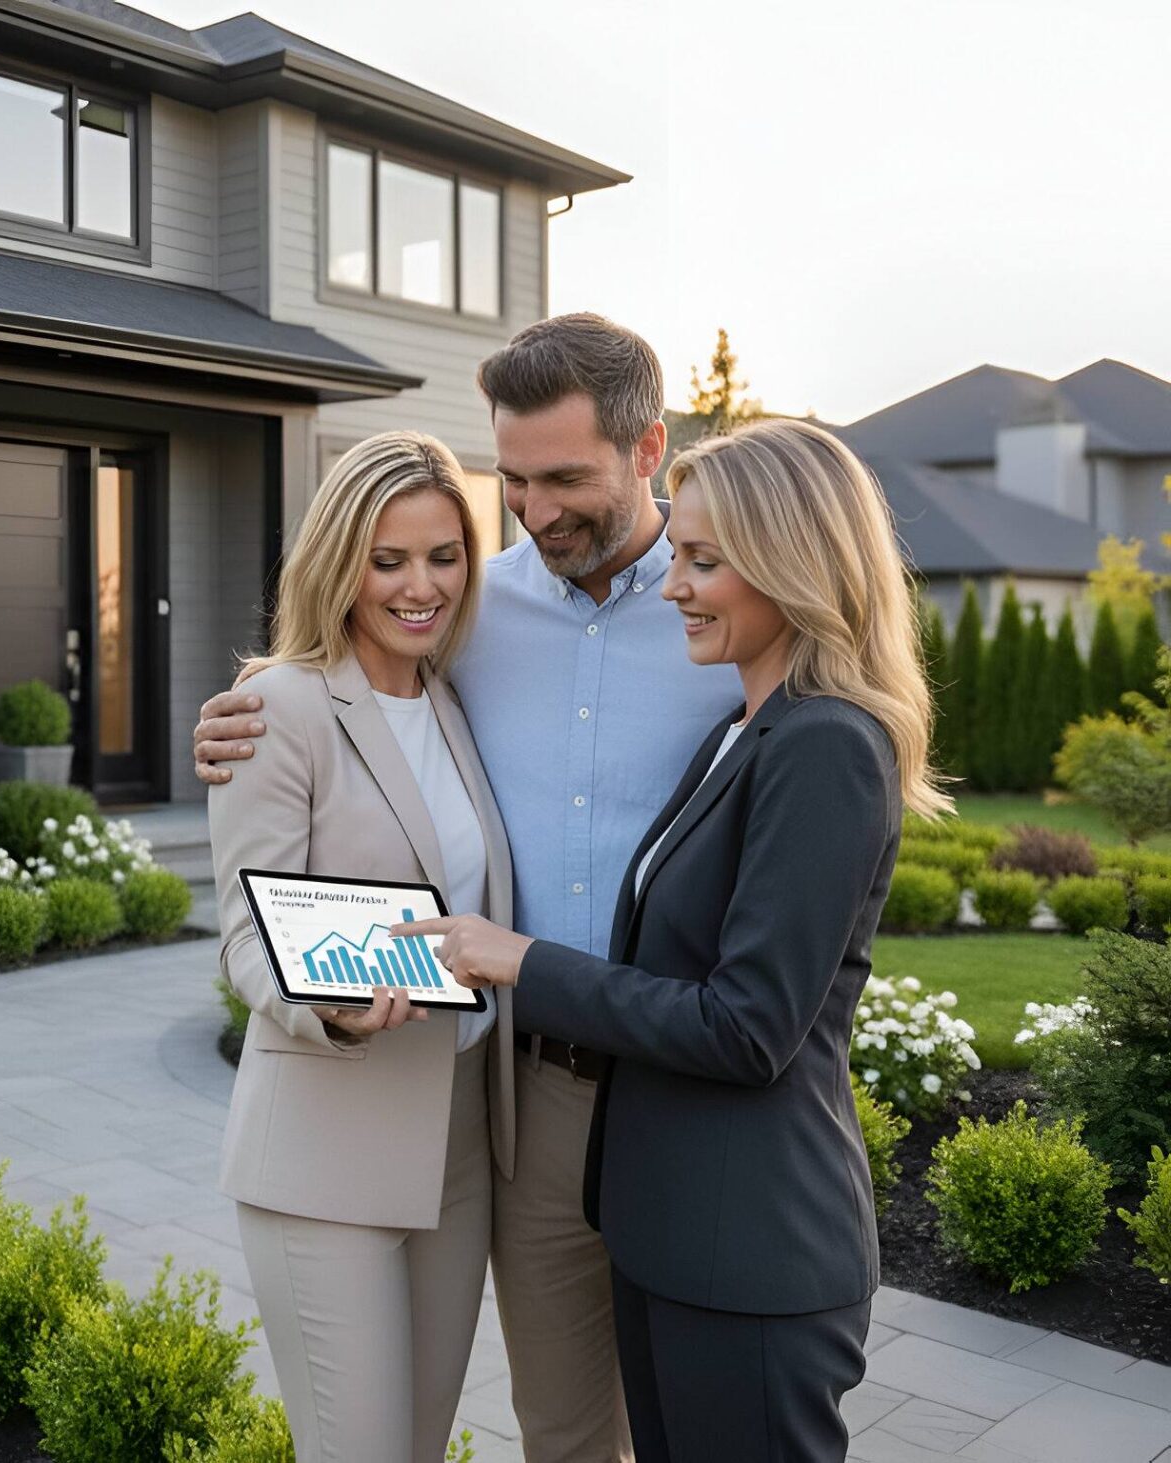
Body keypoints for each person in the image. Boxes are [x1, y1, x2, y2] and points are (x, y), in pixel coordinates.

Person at [197, 313, 737, 1463]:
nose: (534, 511)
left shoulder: (713, 613)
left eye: (564, 479)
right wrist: (323, 997)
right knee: (535, 1433)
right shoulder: (455, 627)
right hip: (469, 1107)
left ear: (648, 450)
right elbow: (255, 907)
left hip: (657, 1092)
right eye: (514, 481)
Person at [404, 418, 946, 1461]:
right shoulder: (741, 728)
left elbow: (748, 1028)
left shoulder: (828, 743)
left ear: (792, 563)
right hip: (675, 1234)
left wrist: (524, 962)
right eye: (680, 557)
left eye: (703, 561)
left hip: (751, 1252)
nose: (674, 587)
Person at [208, 429, 516, 1463]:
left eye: (443, 556)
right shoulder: (278, 706)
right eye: (389, 560)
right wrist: (327, 1007)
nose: (420, 586)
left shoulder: (453, 700)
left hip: (457, 1147)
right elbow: (246, 935)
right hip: (324, 1151)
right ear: (340, 561)